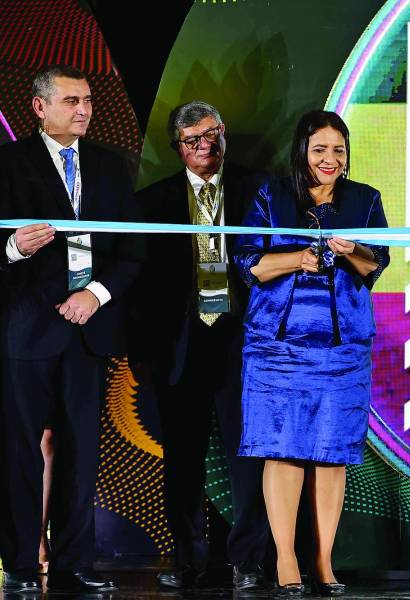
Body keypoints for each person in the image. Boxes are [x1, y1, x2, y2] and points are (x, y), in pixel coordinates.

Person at [0, 64, 143, 594]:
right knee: (20, 452)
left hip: (88, 328)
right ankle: (21, 565)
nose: (84, 109)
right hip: (25, 328)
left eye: (88, 100)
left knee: (80, 452)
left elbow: (134, 249)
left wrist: (96, 294)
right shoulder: (6, 163)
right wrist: (13, 248)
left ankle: (74, 563)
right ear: (40, 107)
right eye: (71, 100)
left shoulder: (110, 168)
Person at [234, 110, 389, 596]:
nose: (331, 159)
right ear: (303, 151)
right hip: (277, 346)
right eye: (320, 149)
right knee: (281, 450)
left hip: (342, 349)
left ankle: (322, 561)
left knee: (331, 454)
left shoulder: (365, 200)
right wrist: (297, 259)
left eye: (339, 150)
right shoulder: (271, 194)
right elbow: (248, 263)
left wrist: (349, 252)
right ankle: (284, 559)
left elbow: (375, 264)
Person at [128, 101, 269, 590]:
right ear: (177, 147)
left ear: (224, 133)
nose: (204, 145)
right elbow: (138, 287)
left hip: (243, 342)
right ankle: (187, 560)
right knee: (182, 460)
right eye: (192, 140)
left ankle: (248, 561)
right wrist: (143, 356)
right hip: (178, 347)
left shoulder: (259, 190)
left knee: (248, 457)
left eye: (211, 134)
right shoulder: (151, 202)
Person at [0, 256, 55, 575]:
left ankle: (39, 536)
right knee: (11, 436)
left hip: (53, 328)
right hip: (3, 332)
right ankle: (19, 538)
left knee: (47, 436)